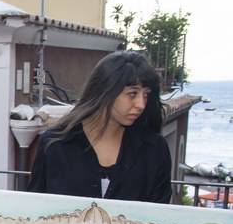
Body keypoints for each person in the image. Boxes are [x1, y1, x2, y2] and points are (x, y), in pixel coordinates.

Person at [27, 50, 171, 203]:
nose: (141, 104)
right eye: (132, 94)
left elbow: (160, 215)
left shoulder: (154, 149)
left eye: (146, 95)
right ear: (106, 91)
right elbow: (35, 207)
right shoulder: (54, 144)